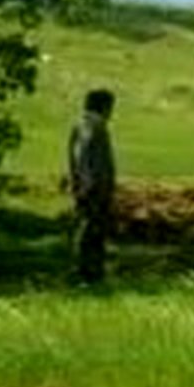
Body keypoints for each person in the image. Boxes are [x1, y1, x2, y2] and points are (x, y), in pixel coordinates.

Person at [67, 89, 117, 283]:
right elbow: (83, 155)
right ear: (104, 106)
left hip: (90, 187)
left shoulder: (85, 124)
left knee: (91, 230)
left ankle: (90, 272)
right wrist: (88, 185)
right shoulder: (92, 125)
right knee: (90, 231)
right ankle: (86, 273)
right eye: (110, 106)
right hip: (93, 190)